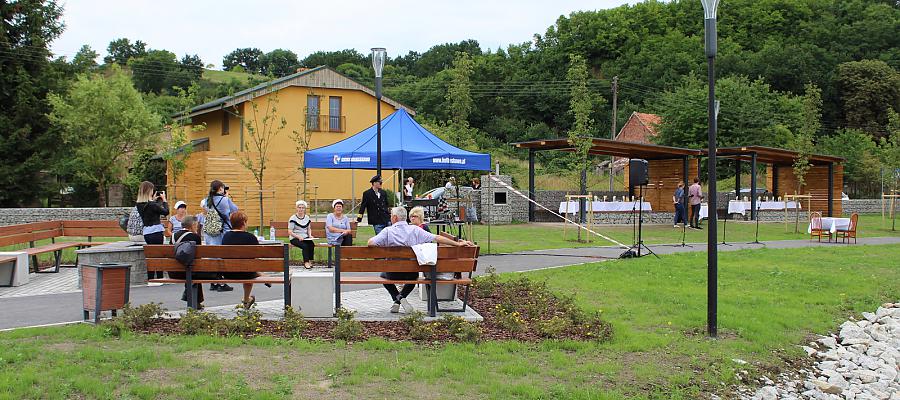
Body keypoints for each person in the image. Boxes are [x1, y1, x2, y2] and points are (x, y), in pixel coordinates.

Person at [367, 207, 474, 313]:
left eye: (391, 216)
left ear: (394, 218)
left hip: (392, 273)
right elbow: (436, 238)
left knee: (383, 276)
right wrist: (458, 243)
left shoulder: (387, 231)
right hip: (411, 273)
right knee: (414, 278)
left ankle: (397, 299)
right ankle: (400, 299)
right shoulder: (415, 230)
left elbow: (371, 243)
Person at [169, 216, 219, 308]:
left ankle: (194, 301)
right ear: (192, 225)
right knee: (194, 270)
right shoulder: (195, 237)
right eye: (196, 225)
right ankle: (196, 302)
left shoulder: (173, 236)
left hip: (174, 272)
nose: (197, 227)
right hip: (190, 272)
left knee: (191, 269)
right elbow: (198, 259)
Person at [221, 211, 262, 308]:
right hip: (247, 273)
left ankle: (247, 300)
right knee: (248, 267)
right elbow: (255, 257)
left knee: (247, 266)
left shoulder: (226, 237)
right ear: (243, 223)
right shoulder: (251, 238)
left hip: (228, 273)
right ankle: (246, 299)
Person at [136, 181, 169, 279]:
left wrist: (153, 201)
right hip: (156, 231)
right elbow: (165, 212)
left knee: (150, 256)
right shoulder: (152, 205)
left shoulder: (139, 204)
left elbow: (149, 211)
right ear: (149, 191)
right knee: (158, 256)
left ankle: (150, 278)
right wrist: (164, 200)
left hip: (147, 232)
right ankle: (159, 278)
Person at [204, 180, 239, 245]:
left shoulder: (207, 200)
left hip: (209, 232)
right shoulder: (224, 200)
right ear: (220, 188)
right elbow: (235, 210)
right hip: (222, 231)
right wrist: (226, 197)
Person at [288, 200, 315, 269]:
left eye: (303, 208)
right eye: (299, 207)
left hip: (305, 237)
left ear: (305, 209)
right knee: (305, 246)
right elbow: (290, 232)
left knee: (311, 244)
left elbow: (309, 229)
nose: (301, 209)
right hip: (294, 238)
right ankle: (306, 262)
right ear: (296, 208)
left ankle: (310, 260)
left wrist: (310, 235)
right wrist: (298, 237)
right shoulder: (293, 218)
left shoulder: (307, 217)